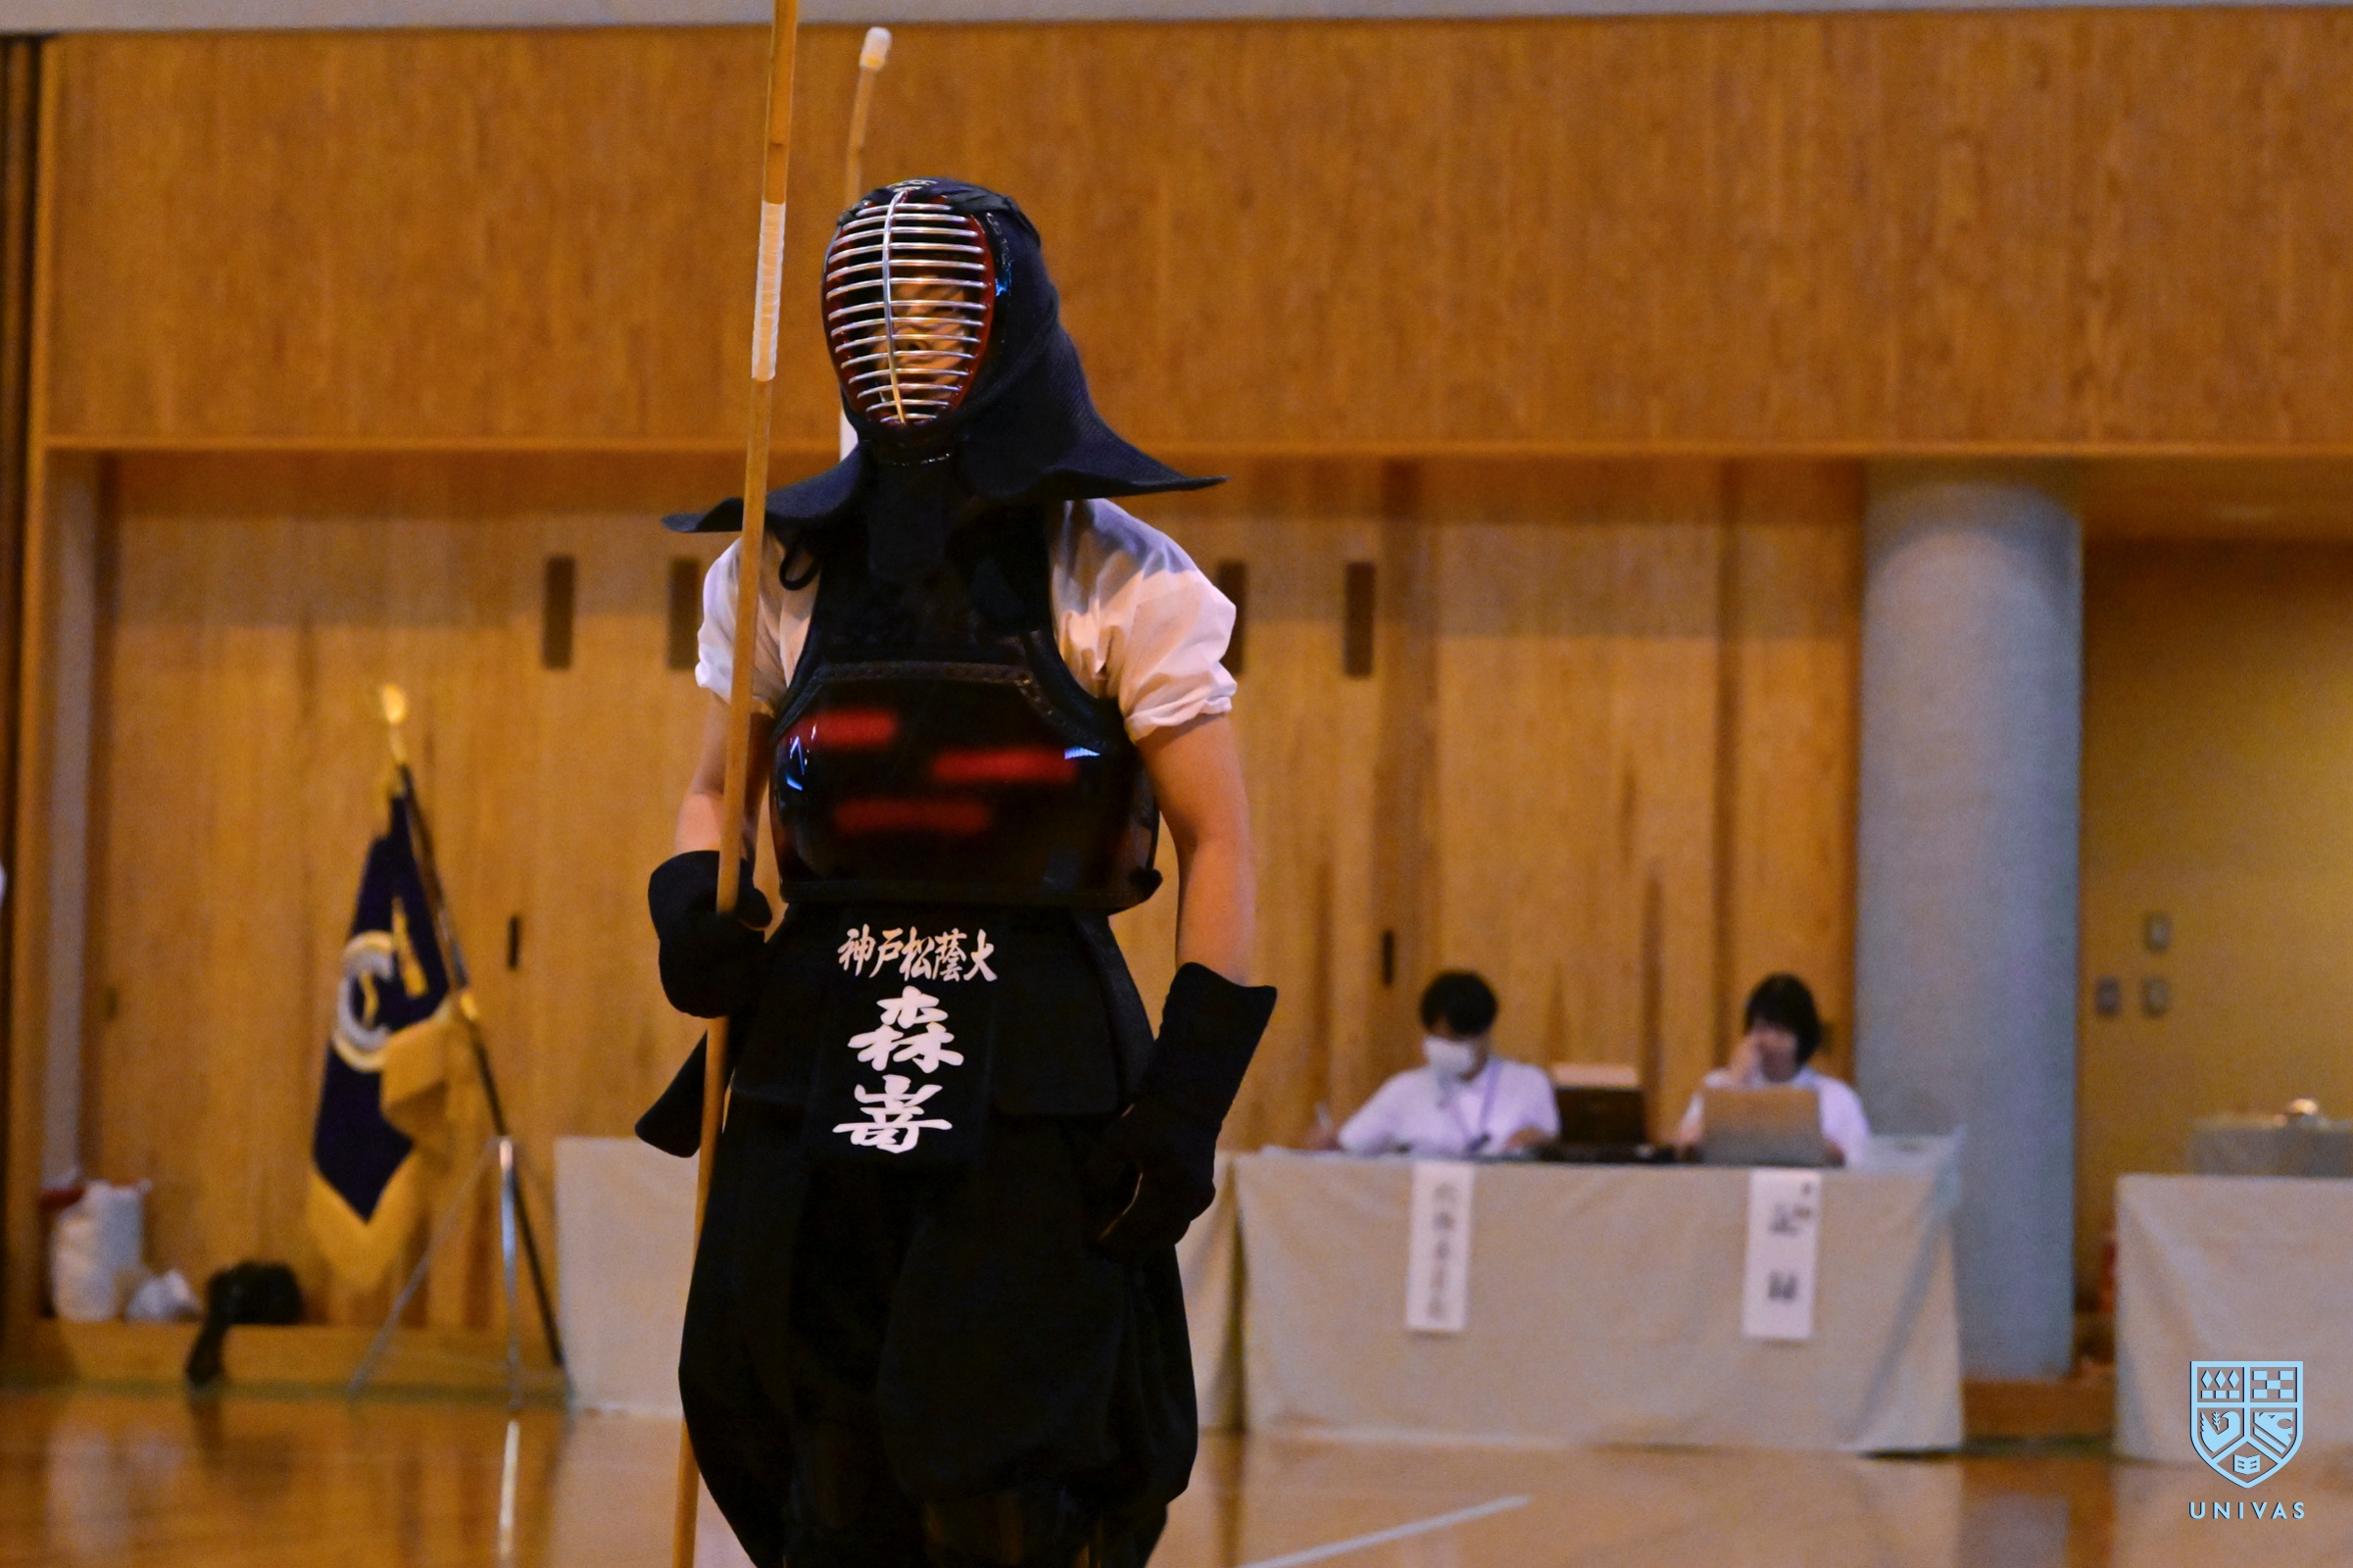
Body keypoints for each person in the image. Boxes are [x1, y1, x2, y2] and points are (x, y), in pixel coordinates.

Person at [638, 179, 1276, 1568]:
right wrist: (692, 901)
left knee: (996, 1459)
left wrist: (1185, 1101)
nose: (905, 340)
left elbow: (1219, 840)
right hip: (815, 1045)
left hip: (1035, 1064)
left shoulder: (1122, 578)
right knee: (808, 1438)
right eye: (879, 312)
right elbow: (717, 790)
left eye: (938, 309)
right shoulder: (776, 570)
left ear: (1013, 328)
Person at [1325, 972, 1558, 1157]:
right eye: (1438, 1038)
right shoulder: (1404, 1089)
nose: (1447, 1046)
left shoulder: (1528, 1083)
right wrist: (1329, 1145)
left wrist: (1535, 1141)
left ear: (1485, 1033)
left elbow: (1551, 1148)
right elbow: (1346, 1147)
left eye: (1456, 1038)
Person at [1675, 973, 1869, 1164]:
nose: (1769, 1041)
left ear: (1802, 1039)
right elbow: (1685, 1145)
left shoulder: (1837, 1096)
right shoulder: (1717, 1084)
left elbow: (1860, 1164)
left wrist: (1816, 1147)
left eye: (1781, 1031)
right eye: (1761, 1028)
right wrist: (1735, 1083)